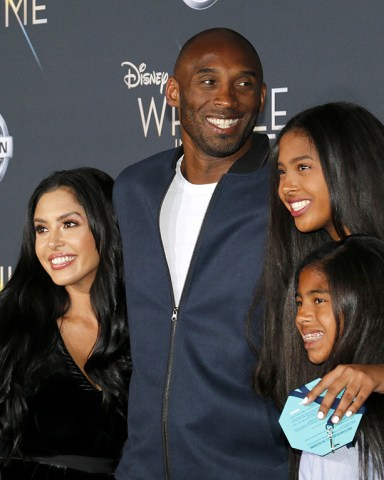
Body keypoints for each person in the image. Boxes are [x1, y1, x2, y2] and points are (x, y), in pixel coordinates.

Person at [113, 28, 288, 479]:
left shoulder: (288, 192)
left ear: (263, 97)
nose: (227, 100)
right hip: (144, 467)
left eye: (244, 84)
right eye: (208, 81)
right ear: (173, 91)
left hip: (252, 467)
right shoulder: (135, 189)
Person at [253, 102, 384, 477]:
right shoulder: (300, 271)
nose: (286, 187)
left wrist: (377, 375)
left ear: (349, 166)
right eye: (281, 172)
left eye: (303, 167)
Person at [0, 168, 130, 479]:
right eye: (41, 230)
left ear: (106, 226)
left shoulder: (149, 327)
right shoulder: (12, 325)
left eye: (69, 224)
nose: (52, 243)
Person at [293, 235, 384, 479]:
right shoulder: (317, 410)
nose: (301, 317)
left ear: (361, 302)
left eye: (319, 300)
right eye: (299, 302)